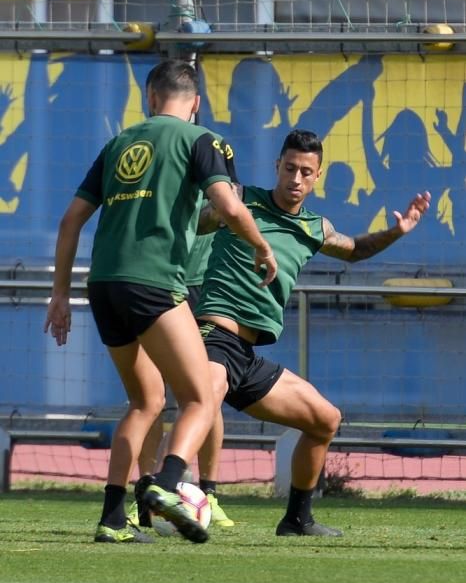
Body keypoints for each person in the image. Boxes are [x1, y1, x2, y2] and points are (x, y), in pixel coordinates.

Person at [44, 59, 277, 544]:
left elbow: (70, 222)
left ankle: (111, 518)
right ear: (195, 103)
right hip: (154, 286)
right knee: (198, 396)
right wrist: (261, 245)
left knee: (145, 401)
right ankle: (166, 486)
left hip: (103, 286)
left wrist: (59, 296)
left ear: (150, 98)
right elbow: (230, 206)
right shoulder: (202, 140)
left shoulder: (118, 144)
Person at [189, 129, 430, 537]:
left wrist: (399, 230)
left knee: (325, 420)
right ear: (276, 167)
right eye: (289, 168)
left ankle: (297, 519)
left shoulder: (315, 228)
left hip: (245, 356)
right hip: (213, 333)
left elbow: (355, 250)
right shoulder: (240, 202)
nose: (295, 179)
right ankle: (159, 491)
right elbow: (192, 222)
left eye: (305, 172)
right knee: (197, 403)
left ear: (316, 177)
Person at [131, 232, 235, 530]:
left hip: (204, 286)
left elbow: (230, 210)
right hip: (155, 280)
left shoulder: (221, 184)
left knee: (205, 391)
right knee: (149, 395)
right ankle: (147, 489)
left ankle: (209, 492)